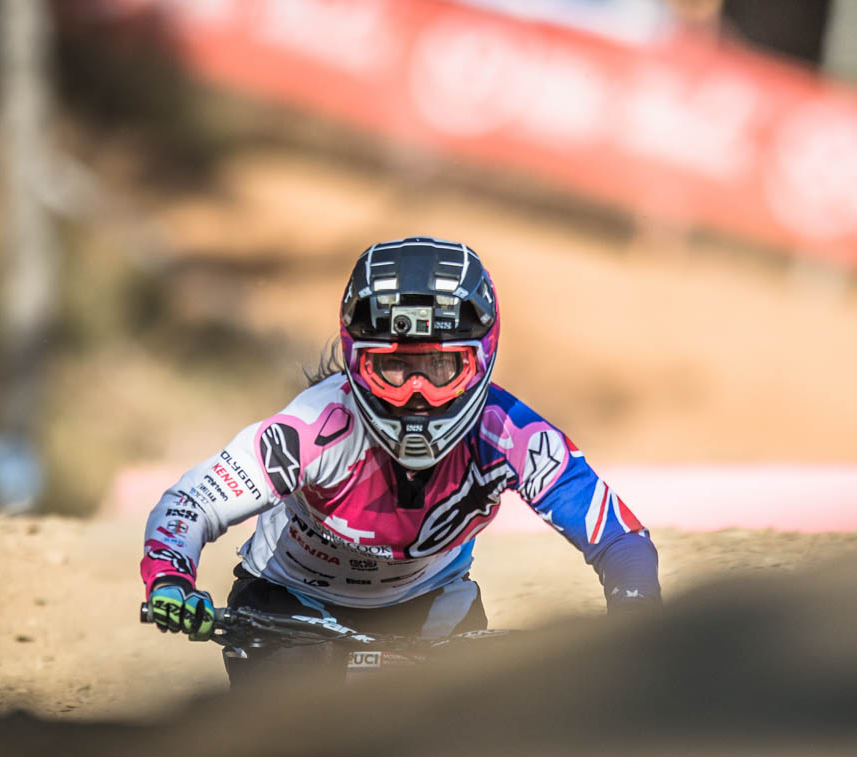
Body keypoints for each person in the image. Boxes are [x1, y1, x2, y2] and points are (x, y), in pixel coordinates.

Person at [140, 237, 661, 682]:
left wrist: (637, 618)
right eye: (392, 370)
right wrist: (169, 579)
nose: (416, 394)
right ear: (355, 362)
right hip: (288, 606)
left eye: (439, 368)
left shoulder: (509, 434)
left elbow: (616, 536)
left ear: (479, 361)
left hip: (432, 612)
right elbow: (192, 502)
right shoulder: (314, 426)